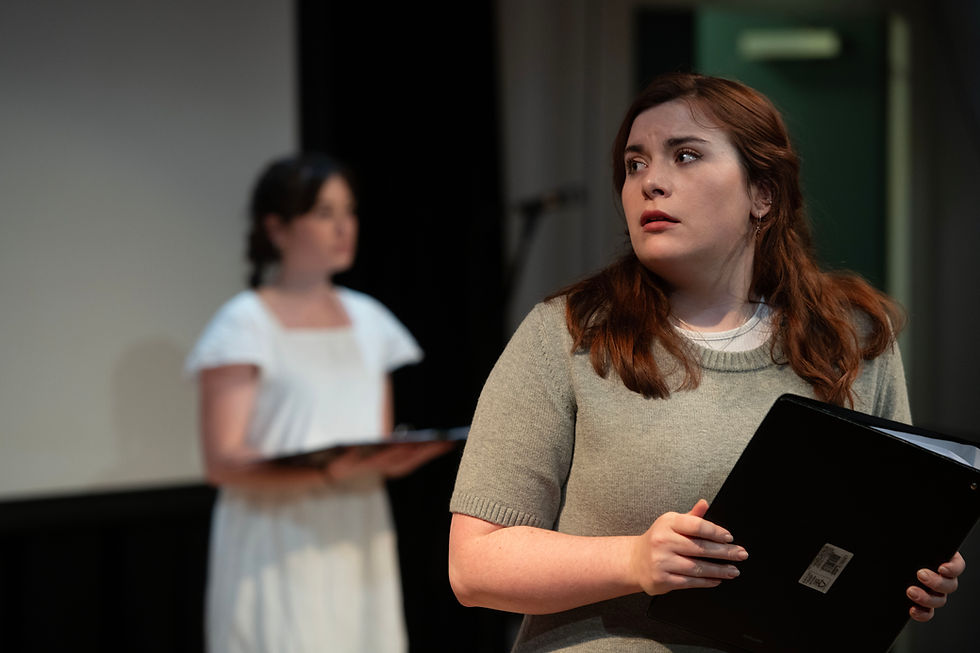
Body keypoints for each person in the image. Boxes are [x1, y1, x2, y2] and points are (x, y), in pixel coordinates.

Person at [447, 73, 966, 651]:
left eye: (685, 156)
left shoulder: (853, 339)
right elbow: (475, 566)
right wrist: (634, 559)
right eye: (635, 164)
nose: (651, 183)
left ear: (762, 194)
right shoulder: (568, 333)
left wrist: (910, 568)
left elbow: (884, 526)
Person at [184, 153, 450, 653]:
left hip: (357, 533)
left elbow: (374, 440)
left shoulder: (371, 321)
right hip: (277, 542)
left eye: (348, 212)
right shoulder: (243, 324)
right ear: (278, 228)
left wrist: (398, 458)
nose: (342, 227)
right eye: (323, 213)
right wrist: (330, 471)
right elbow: (223, 461)